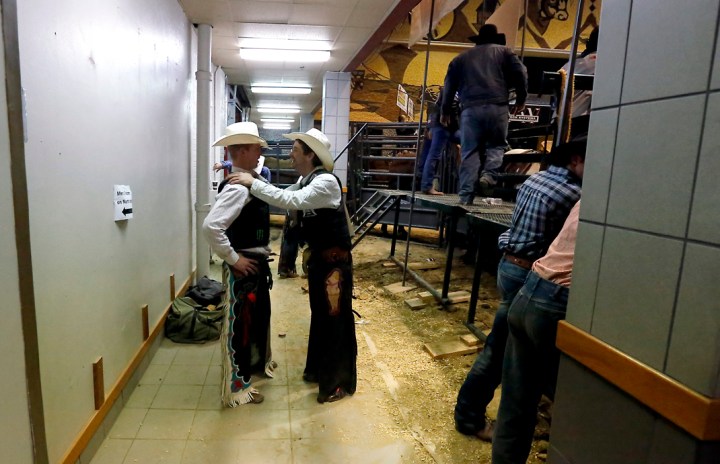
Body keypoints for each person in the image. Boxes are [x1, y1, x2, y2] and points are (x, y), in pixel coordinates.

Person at [454, 137, 586, 440]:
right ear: (576, 160)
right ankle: (469, 417)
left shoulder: (533, 179)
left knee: (506, 345)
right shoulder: (574, 194)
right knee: (500, 350)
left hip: (509, 264)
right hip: (531, 275)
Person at [231, 128, 357, 404]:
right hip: (321, 266)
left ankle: (336, 384)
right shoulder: (307, 180)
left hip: (335, 268)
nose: (290, 154)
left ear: (310, 154)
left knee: (334, 321)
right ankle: (318, 371)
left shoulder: (325, 183)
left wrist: (252, 182)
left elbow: (291, 201)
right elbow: (281, 193)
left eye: (295, 150)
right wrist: (253, 179)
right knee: (322, 317)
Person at [492, 201, 581, 464]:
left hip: (532, 285)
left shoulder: (589, 193)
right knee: (574, 405)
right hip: (558, 301)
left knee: (515, 401)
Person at [202, 121, 277, 407]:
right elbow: (211, 227)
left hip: (254, 267)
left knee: (254, 322)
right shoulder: (237, 188)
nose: (260, 153)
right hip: (243, 271)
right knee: (241, 328)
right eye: (257, 148)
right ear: (243, 150)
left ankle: (252, 370)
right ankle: (237, 386)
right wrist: (234, 259)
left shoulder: (250, 181)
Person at [441, 24, 528, 204]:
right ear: (495, 39)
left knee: (469, 152)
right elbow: (521, 73)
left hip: (470, 110)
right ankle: (489, 176)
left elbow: (449, 86)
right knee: (496, 145)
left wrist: (445, 110)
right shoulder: (505, 52)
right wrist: (521, 98)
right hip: (498, 106)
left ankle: (466, 196)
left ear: (477, 41)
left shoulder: (460, 59)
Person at [416, 88, 460, 195]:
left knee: (427, 153)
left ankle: (420, 182)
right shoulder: (456, 90)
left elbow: (434, 107)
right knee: (434, 155)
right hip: (442, 125)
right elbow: (452, 106)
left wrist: (429, 125)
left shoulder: (443, 91)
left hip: (434, 123)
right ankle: (427, 186)